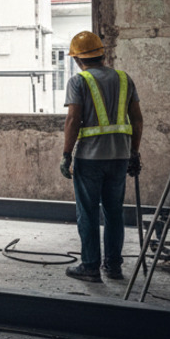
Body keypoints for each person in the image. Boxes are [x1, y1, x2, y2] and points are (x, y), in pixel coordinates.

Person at [60, 30, 143, 283]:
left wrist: (66, 154)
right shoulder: (124, 78)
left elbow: (73, 120)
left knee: (88, 212)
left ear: (77, 59)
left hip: (91, 158)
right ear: (102, 54)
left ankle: (90, 266)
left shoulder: (78, 81)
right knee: (114, 212)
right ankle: (113, 266)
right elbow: (137, 120)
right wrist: (134, 153)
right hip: (119, 156)